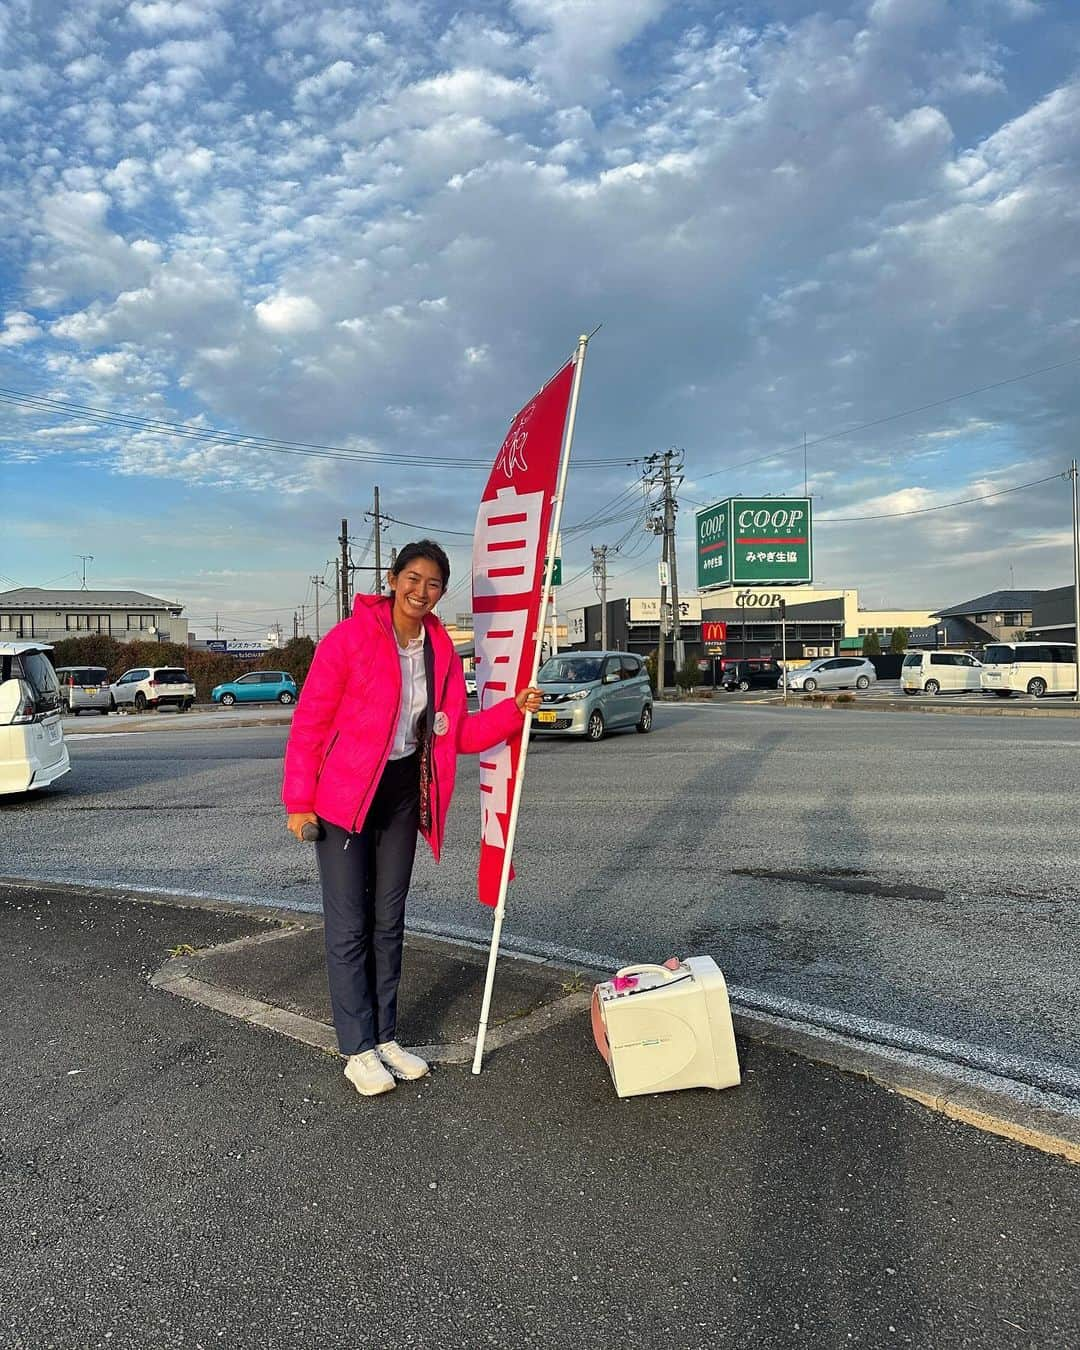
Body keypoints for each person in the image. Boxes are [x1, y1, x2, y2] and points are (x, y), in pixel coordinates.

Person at [282, 539, 542, 1098]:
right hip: (344, 801)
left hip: (403, 795)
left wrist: (512, 710)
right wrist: (298, 802)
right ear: (394, 578)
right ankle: (357, 1047)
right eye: (413, 579)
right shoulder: (350, 639)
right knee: (349, 925)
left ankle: (386, 1036)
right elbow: (309, 725)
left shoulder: (441, 651)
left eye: (433, 585)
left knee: (388, 921)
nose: (421, 592)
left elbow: (457, 731)